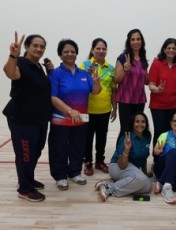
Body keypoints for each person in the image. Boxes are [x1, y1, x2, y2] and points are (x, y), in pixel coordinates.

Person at [2, 32, 52, 202]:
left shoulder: (38, 66)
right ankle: (25, 189)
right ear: (27, 47)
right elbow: (9, 72)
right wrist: (12, 56)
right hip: (22, 119)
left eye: (42, 46)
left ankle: (27, 178)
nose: (39, 49)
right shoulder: (20, 63)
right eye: (35, 45)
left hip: (39, 118)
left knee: (36, 150)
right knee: (25, 154)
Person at [48, 39, 101, 191]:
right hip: (61, 119)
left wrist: (96, 81)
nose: (70, 54)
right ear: (60, 54)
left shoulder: (84, 74)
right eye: (66, 51)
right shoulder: (55, 74)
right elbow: (53, 97)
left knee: (78, 146)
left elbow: (95, 91)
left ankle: (75, 172)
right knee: (59, 148)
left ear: (76, 53)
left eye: (72, 51)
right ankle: (60, 176)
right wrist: (70, 111)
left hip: (81, 120)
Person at [79, 38, 116, 175]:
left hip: (104, 109)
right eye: (98, 48)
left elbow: (113, 90)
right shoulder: (84, 65)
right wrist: (87, 77)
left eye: (104, 49)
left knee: (102, 136)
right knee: (87, 137)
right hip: (87, 109)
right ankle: (87, 162)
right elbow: (78, 85)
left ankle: (100, 161)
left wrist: (115, 108)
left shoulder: (111, 68)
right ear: (92, 50)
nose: (101, 51)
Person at [95, 112, 152, 202]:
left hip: (132, 171)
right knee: (141, 180)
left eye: (143, 122)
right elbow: (122, 165)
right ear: (132, 124)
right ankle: (108, 187)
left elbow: (143, 156)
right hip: (117, 166)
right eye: (137, 121)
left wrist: (144, 173)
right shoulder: (127, 138)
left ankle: (115, 182)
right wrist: (127, 149)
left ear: (146, 123)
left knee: (148, 186)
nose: (140, 124)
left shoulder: (147, 136)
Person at [149, 38, 176, 157]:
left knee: (174, 133)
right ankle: (158, 160)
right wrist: (157, 89)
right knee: (160, 133)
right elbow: (151, 84)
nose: (171, 50)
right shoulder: (156, 64)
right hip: (158, 106)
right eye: (168, 48)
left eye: (174, 48)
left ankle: (172, 158)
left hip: (174, 105)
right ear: (164, 49)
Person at [114, 29, 149, 145]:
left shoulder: (143, 59)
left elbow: (146, 81)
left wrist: (155, 67)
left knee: (138, 130)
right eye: (133, 39)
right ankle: (118, 159)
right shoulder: (123, 57)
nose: (136, 42)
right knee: (125, 130)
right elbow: (116, 79)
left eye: (138, 39)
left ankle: (134, 159)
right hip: (125, 100)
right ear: (129, 42)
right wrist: (125, 69)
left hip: (139, 100)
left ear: (142, 41)